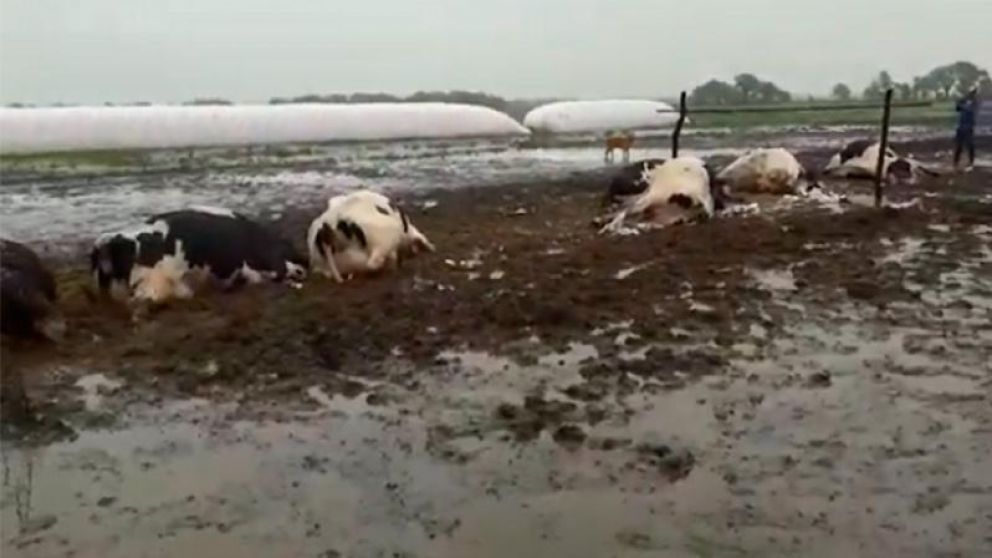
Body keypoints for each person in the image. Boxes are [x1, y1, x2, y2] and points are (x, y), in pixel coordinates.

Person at [954, 86, 979, 171]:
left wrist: (962, 103)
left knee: (970, 145)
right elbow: (957, 108)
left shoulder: (975, 102)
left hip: (968, 126)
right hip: (961, 126)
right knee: (959, 146)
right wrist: (960, 101)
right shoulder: (965, 100)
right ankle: (955, 163)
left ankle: (971, 162)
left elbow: (968, 109)